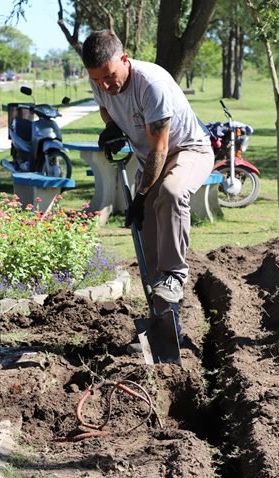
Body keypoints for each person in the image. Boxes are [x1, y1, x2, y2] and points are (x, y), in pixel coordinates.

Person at [81, 29, 214, 306]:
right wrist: (112, 127)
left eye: (109, 77)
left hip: (187, 150)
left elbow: (160, 149)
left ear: (125, 59)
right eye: (97, 79)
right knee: (149, 245)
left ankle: (175, 275)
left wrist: (140, 197)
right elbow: (106, 106)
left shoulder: (152, 84)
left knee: (172, 192)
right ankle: (163, 327)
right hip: (151, 160)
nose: (104, 86)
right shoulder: (99, 80)